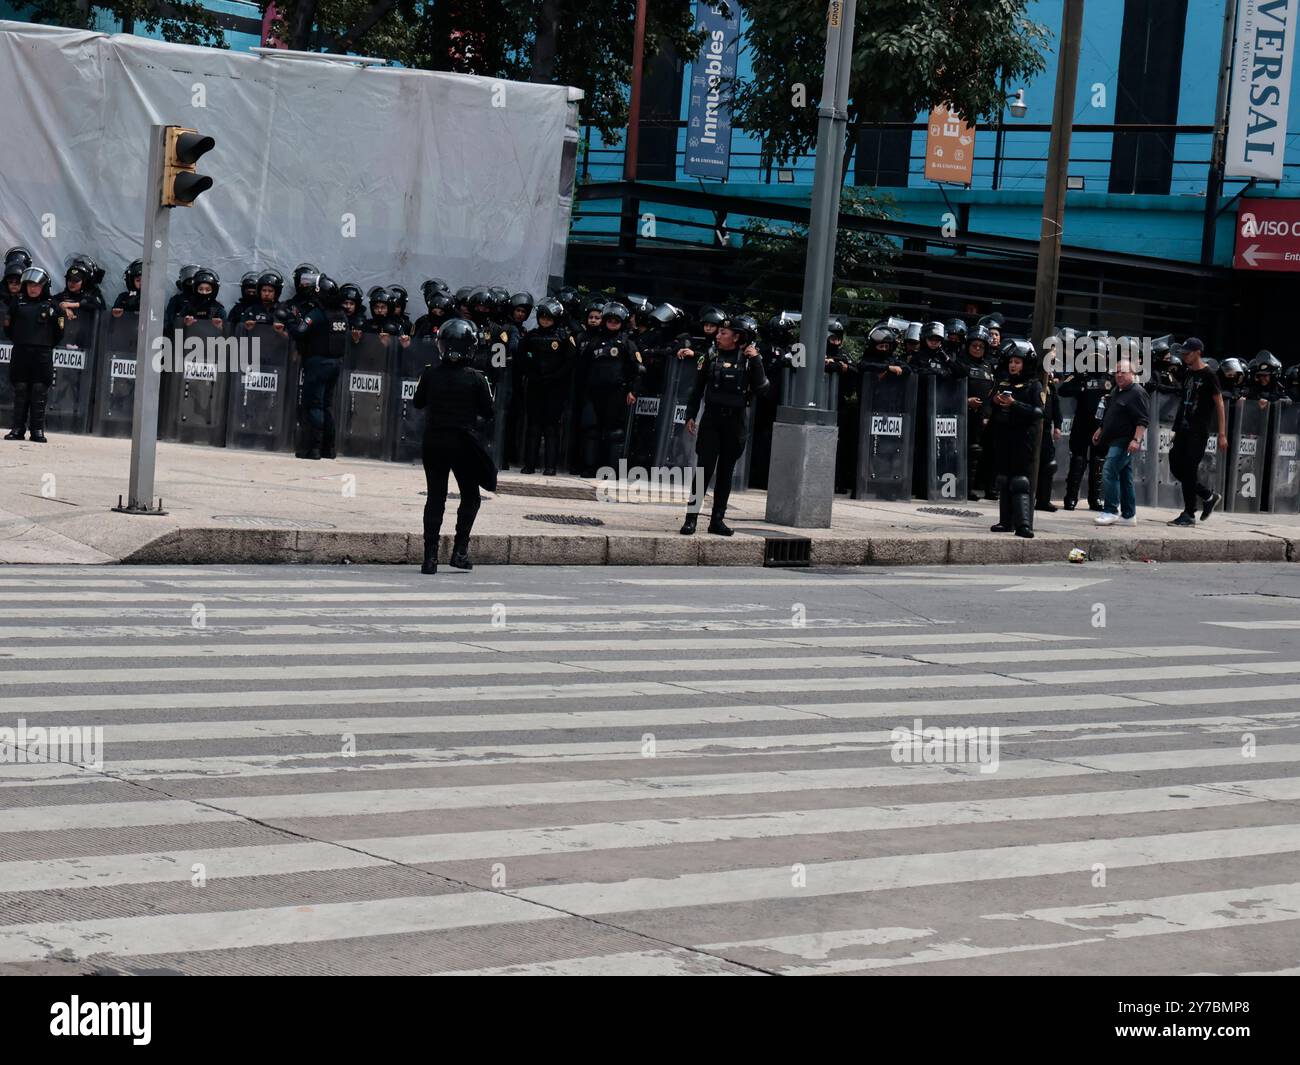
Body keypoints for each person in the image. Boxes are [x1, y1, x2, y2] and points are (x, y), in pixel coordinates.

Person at [411, 318, 495, 574]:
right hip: (463, 443)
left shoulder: (430, 373)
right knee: (470, 496)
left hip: (434, 441)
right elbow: (488, 412)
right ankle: (459, 552)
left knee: (435, 496)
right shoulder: (477, 378)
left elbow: (417, 403)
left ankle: (430, 558)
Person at [681, 313, 768, 536]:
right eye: (719, 332)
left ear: (736, 337)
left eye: (723, 333)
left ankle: (717, 520)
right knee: (704, 469)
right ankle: (691, 518)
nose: (718, 336)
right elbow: (697, 388)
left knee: (726, 472)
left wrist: (757, 360)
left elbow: (763, 390)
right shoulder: (710, 356)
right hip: (711, 418)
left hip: (735, 420)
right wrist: (690, 415)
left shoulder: (749, 359)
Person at [277, 274, 349, 460]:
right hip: (335, 364)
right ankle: (328, 449)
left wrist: (289, 320)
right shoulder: (341, 314)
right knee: (326, 406)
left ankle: (312, 449)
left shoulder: (318, 313)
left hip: (318, 364)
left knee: (313, 405)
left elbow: (301, 332)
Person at [986, 339, 1044, 538]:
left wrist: (1014, 403)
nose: (1013, 365)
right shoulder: (1002, 382)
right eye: (1011, 361)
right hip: (1003, 436)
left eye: (1017, 362)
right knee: (1003, 480)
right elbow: (990, 403)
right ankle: (1005, 522)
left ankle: (1023, 525)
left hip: (1023, 438)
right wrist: (994, 401)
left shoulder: (1034, 385)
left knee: (1020, 481)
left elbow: (1038, 412)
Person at [576, 300, 640, 476]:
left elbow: (638, 369)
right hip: (593, 392)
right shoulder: (594, 340)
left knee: (614, 433)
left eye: (616, 321)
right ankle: (589, 468)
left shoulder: (627, 342)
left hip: (617, 393)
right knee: (591, 430)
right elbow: (582, 366)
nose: (612, 323)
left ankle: (611, 470)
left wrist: (633, 391)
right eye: (609, 319)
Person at [1167, 337, 1226, 527]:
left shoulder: (1209, 375)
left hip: (1197, 431)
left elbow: (1219, 403)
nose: (1184, 356)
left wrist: (1222, 434)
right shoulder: (1187, 373)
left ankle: (1189, 513)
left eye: (1188, 353)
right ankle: (1208, 496)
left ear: (1198, 352)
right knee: (1176, 466)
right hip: (1182, 430)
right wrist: (1176, 429)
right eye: (1183, 353)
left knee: (1190, 470)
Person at [3, 267, 64, 442]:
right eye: (29, 284)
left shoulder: (52, 306)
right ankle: (17, 429)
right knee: (21, 389)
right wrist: (22, 340)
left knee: (39, 390)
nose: (33, 288)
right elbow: (8, 327)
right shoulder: (17, 303)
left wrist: (43, 344)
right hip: (21, 351)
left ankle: (37, 430)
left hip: (42, 353)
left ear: (44, 286)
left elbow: (59, 333)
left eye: (37, 285)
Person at [518, 297, 574, 475]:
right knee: (533, 426)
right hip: (535, 385)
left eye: (549, 318)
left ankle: (550, 466)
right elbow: (522, 358)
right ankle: (529, 465)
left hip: (555, 388)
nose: (545, 320)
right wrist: (533, 374)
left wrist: (554, 377)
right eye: (542, 317)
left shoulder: (564, 337)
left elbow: (570, 362)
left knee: (551, 427)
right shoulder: (531, 336)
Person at [1092, 359, 1149, 527]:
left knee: (1109, 471)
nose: (1119, 375)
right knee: (1125, 477)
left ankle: (1110, 511)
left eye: (1123, 372)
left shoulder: (1137, 392)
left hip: (1124, 441)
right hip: (1113, 439)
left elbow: (1143, 420)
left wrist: (1136, 439)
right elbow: (1111, 413)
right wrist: (1100, 429)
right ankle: (1129, 514)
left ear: (1132, 374)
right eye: (1117, 371)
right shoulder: (1117, 390)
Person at [1058, 353, 1114, 511]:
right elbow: (1063, 389)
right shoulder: (1080, 374)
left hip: (1101, 426)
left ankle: (1095, 499)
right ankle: (1071, 498)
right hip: (1082, 424)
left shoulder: (1110, 378)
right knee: (1078, 460)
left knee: (1098, 462)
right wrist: (1081, 387)